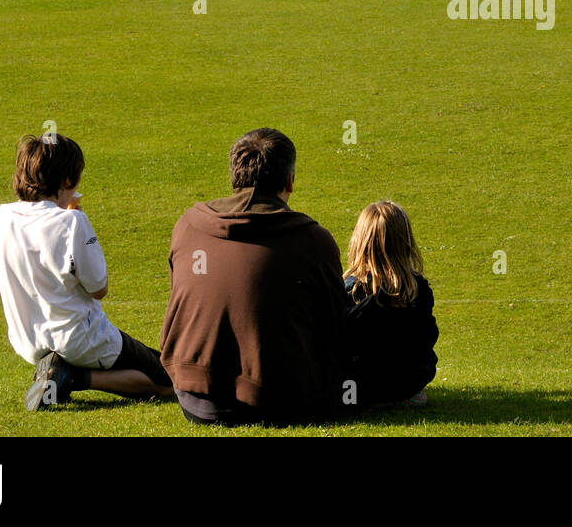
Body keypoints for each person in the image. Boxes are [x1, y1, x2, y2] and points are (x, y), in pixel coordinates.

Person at [160, 128, 348, 427]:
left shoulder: (188, 226)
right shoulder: (312, 240)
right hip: (279, 401)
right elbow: (336, 328)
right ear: (290, 180)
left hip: (194, 394)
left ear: (235, 175)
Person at [0, 133, 174, 411]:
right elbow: (99, 288)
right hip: (81, 339)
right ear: (67, 181)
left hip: (29, 342)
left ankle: (57, 370)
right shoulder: (72, 221)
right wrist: (76, 219)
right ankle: (72, 376)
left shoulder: (0, 217)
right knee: (171, 380)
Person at [342, 201, 438, 408]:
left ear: (360, 241)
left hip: (357, 386)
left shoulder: (350, 289)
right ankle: (403, 394)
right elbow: (428, 336)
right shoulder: (416, 290)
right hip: (406, 384)